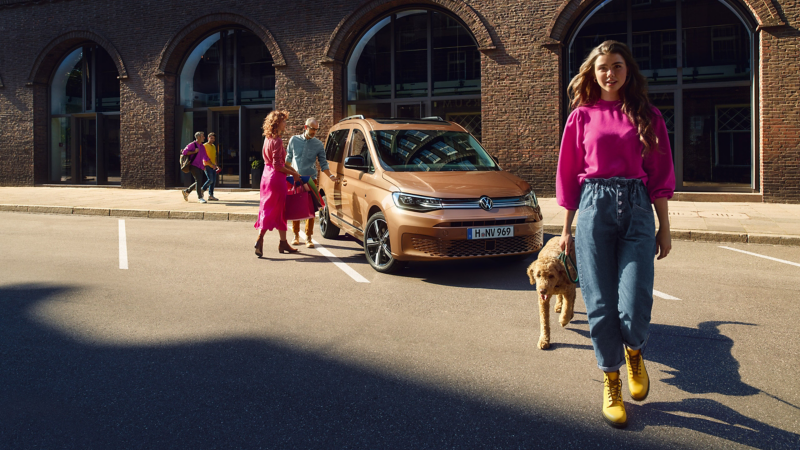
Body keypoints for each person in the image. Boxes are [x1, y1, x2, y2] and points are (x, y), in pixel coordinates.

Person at [556, 40, 675, 429]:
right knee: (600, 304)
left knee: (636, 297)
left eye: (617, 65)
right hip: (593, 207)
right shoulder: (581, 116)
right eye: (603, 66)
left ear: (629, 70)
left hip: (638, 206)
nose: (610, 73)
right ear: (593, 71)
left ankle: (635, 351)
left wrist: (665, 228)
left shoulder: (648, 115)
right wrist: (566, 231)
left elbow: (660, 173)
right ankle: (611, 380)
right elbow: (569, 175)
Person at [253, 110, 304, 256]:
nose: (285, 123)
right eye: (283, 121)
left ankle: (283, 243)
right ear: (277, 123)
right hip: (276, 179)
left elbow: (274, 163)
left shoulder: (268, 139)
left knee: (271, 209)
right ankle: (260, 238)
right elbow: (277, 165)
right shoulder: (277, 141)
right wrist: (293, 173)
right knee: (276, 210)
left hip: (266, 176)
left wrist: (293, 169)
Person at [285, 118, 338, 248]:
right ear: (305, 127)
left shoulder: (318, 144)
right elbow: (288, 159)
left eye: (316, 129)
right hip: (296, 179)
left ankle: (309, 237)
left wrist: (331, 176)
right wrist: (286, 175)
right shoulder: (294, 140)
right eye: (312, 129)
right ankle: (296, 236)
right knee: (295, 207)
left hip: (311, 179)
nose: (314, 131)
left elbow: (323, 164)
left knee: (310, 209)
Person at [181, 132, 213, 203]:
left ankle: (186, 191)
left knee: (198, 181)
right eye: (202, 136)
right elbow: (184, 152)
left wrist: (212, 165)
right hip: (193, 165)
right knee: (198, 180)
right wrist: (194, 152)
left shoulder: (202, 146)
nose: (204, 137)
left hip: (200, 166)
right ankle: (200, 197)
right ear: (198, 137)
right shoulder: (192, 145)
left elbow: (205, 157)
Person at [202, 132, 220, 201]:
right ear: (208, 138)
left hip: (213, 166)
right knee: (210, 180)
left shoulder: (214, 146)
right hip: (207, 165)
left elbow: (214, 157)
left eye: (213, 138)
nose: (212, 139)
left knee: (213, 181)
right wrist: (211, 164)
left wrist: (216, 165)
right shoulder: (204, 145)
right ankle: (202, 190)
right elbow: (204, 157)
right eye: (211, 138)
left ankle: (211, 195)